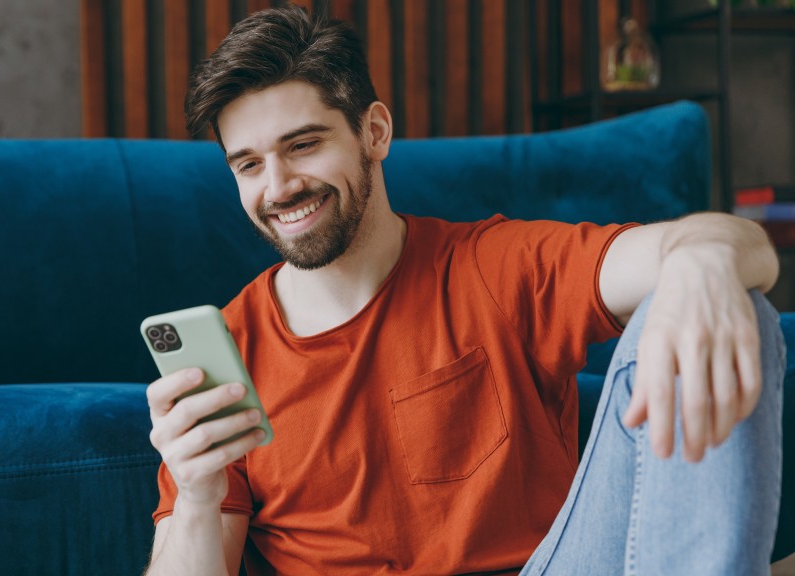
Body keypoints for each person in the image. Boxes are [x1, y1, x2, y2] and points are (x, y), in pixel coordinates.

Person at [144, 6, 784, 575]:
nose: (279, 187)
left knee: (729, 296)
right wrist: (198, 494)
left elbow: (738, 245)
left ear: (374, 133)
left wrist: (702, 269)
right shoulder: (225, 359)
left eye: (303, 145)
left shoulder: (492, 267)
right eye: (249, 165)